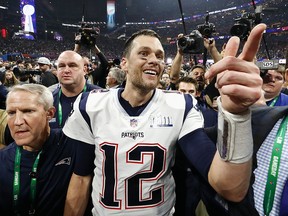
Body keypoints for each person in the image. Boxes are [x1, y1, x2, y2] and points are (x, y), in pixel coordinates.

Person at [63, 24, 266, 215]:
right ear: (124, 63)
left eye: (159, 56)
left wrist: (235, 115)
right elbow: (81, 177)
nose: (154, 60)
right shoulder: (91, 104)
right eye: (144, 53)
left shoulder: (181, 105)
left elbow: (230, 187)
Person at [0, 84, 94, 215]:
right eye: (11, 113)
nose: (17, 121)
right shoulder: (3, 160)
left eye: (28, 111)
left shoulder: (75, 144)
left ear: (49, 114)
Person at [50, 50, 101, 129]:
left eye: (72, 65)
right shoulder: (49, 101)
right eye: (61, 66)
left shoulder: (101, 98)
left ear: (84, 70)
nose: (66, 70)